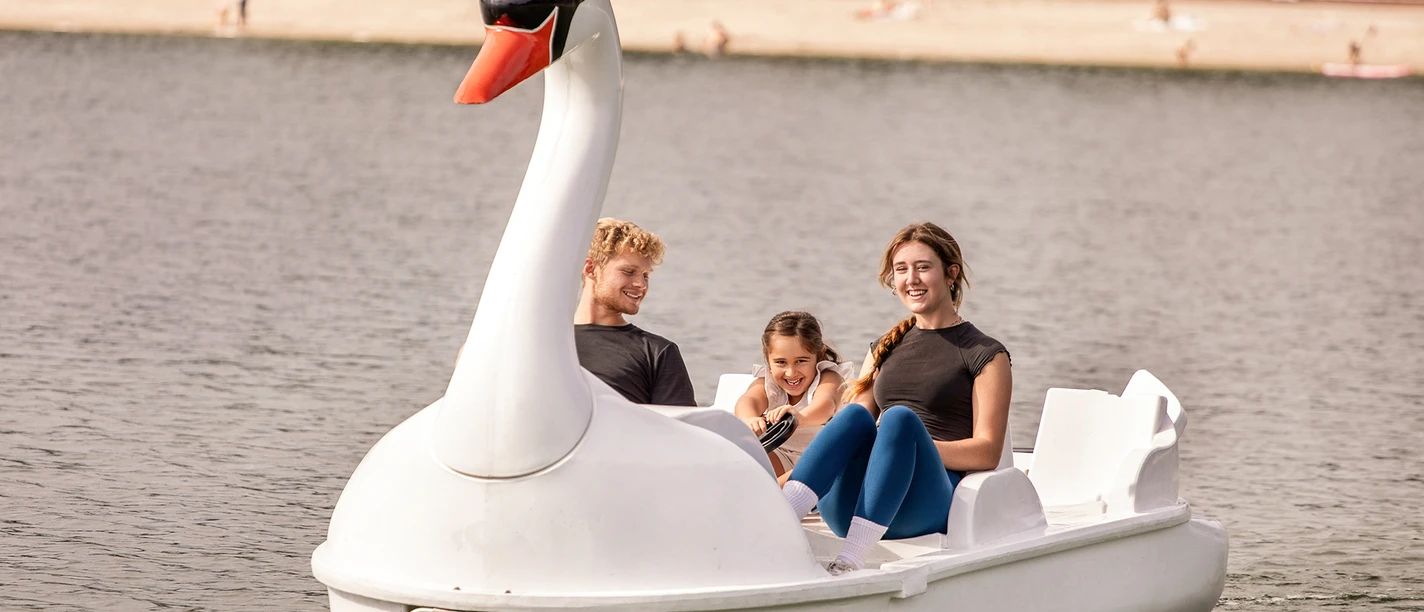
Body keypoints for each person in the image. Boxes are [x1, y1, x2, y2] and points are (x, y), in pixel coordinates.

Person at [779, 222, 1012, 574]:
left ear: (951, 274)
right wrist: (771, 482)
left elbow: (988, 451)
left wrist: (909, 446)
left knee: (899, 419)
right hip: (854, 505)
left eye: (922, 267)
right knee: (855, 417)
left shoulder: (985, 353)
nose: (911, 279)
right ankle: (779, 517)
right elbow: (846, 433)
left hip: (923, 504)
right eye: (901, 269)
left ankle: (851, 560)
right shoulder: (885, 347)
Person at [573, 218, 697, 406]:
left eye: (646, 275)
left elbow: (678, 430)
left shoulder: (657, 352)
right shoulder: (546, 340)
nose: (641, 284)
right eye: (629, 271)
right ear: (591, 269)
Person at [733, 311, 856, 481]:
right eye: (781, 362)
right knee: (745, 456)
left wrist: (799, 417)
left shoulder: (829, 378)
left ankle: (776, 495)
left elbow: (826, 404)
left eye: (801, 361)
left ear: (819, 355)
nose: (791, 373)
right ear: (768, 359)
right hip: (780, 454)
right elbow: (748, 400)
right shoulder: (768, 382)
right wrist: (750, 418)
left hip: (821, 460)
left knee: (772, 487)